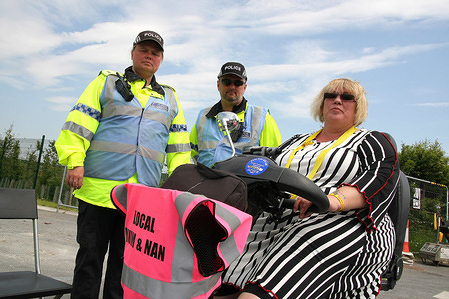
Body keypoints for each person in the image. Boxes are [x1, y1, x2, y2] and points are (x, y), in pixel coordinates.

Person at [214, 78, 400, 298]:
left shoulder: (372, 140)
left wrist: (330, 200)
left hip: (339, 221)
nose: (337, 100)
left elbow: (379, 177)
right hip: (277, 218)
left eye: (347, 97)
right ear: (322, 103)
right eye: (330, 95)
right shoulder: (297, 140)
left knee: (255, 295)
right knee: (215, 286)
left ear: (358, 106)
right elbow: (264, 169)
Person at [55, 30, 191, 299]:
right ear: (132, 53)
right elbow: (79, 123)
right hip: (98, 192)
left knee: (125, 266)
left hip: (141, 199)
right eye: (144, 50)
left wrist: (183, 185)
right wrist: (74, 161)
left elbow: (179, 148)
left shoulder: (170, 98)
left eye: (155, 52)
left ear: (161, 59)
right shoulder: (106, 83)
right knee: (89, 261)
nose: (149, 56)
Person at [190, 62, 282, 167]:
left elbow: (275, 160)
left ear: (245, 87)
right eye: (226, 82)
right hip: (206, 181)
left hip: (245, 183)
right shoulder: (203, 116)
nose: (232, 87)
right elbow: (192, 153)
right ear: (218, 85)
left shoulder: (262, 117)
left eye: (238, 83)